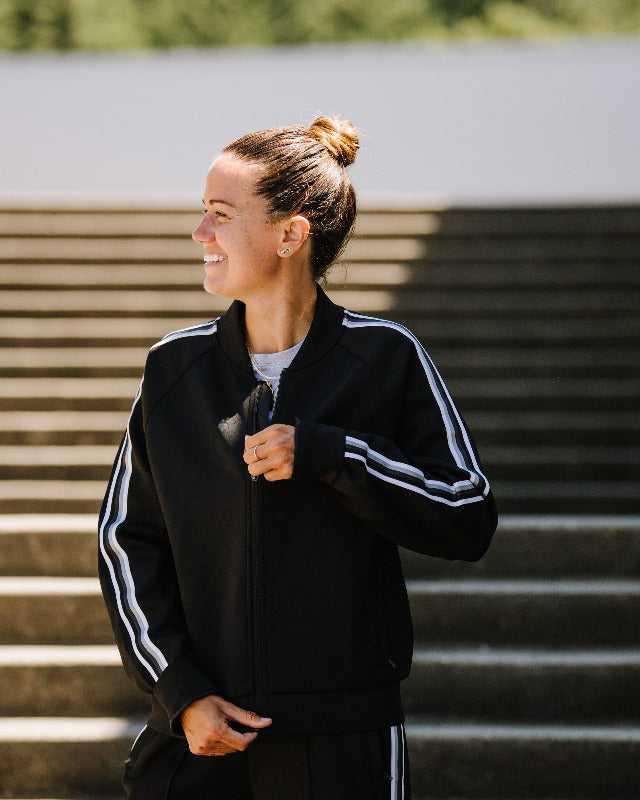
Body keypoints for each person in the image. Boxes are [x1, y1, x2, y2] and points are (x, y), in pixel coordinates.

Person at [98, 114, 498, 800]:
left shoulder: (384, 359)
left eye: (220, 214)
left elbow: (466, 511)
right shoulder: (174, 371)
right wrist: (181, 692)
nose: (200, 234)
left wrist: (336, 455)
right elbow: (124, 542)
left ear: (291, 233)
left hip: (341, 742)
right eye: (203, 213)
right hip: (196, 736)